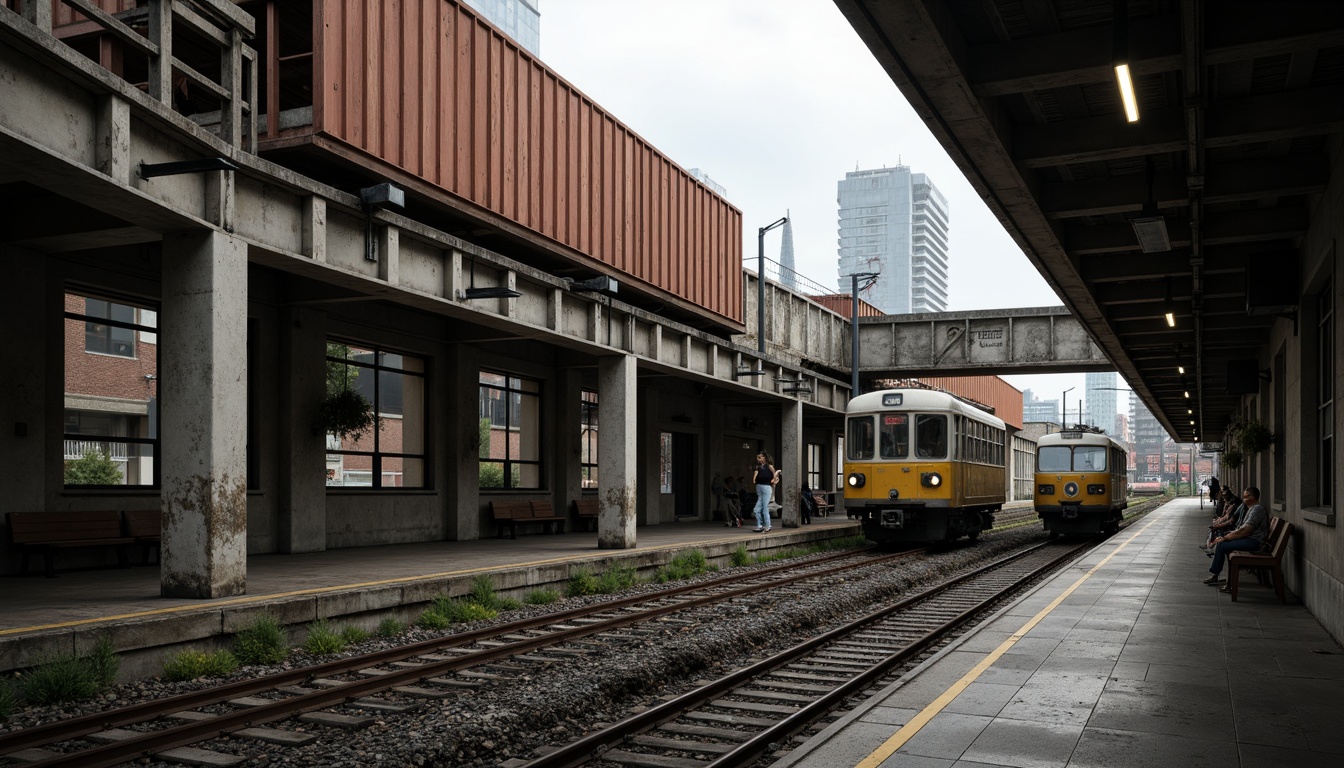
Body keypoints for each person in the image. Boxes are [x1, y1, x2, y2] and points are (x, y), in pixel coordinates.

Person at [1205, 486, 1269, 585]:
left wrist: (1226, 537)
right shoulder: (1252, 509)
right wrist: (1228, 535)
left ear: (1252, 497)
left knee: (1222, 545)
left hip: (1255, 542)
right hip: (1250, 540)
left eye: (1245, 497)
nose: (1243, 499)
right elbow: (1243, 530)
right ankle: (1215, 574)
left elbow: (1246, 530)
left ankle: (1216, 574)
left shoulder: (1257, 510)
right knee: (1222, 542)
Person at [751, 452, 780, 533]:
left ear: (764, 458)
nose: (758, 460)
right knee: (756, 510)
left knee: (765, 508)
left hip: (766, 487)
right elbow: (754, 478)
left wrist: (774, 480)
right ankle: (760, 525)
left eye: (760, 458)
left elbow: (775, 475)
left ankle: (767, 525)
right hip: (759, 487)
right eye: (757, 458)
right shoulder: (758, 467)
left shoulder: (769, 466)